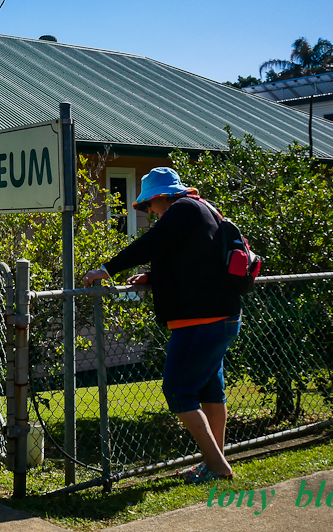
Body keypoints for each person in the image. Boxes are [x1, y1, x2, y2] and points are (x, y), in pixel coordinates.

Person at [81, 167, 241, 484]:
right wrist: (153, 278)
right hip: (220, 317)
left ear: (159, 196)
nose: (150, 212)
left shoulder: (182, 208)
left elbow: (151, 244)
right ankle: (213, 463)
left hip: (200, 322)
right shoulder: (204, 209)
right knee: (210, 391)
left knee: (177, 391)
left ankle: (218, 466)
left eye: (149, 206)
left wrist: (106, 268)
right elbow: (195, 263)